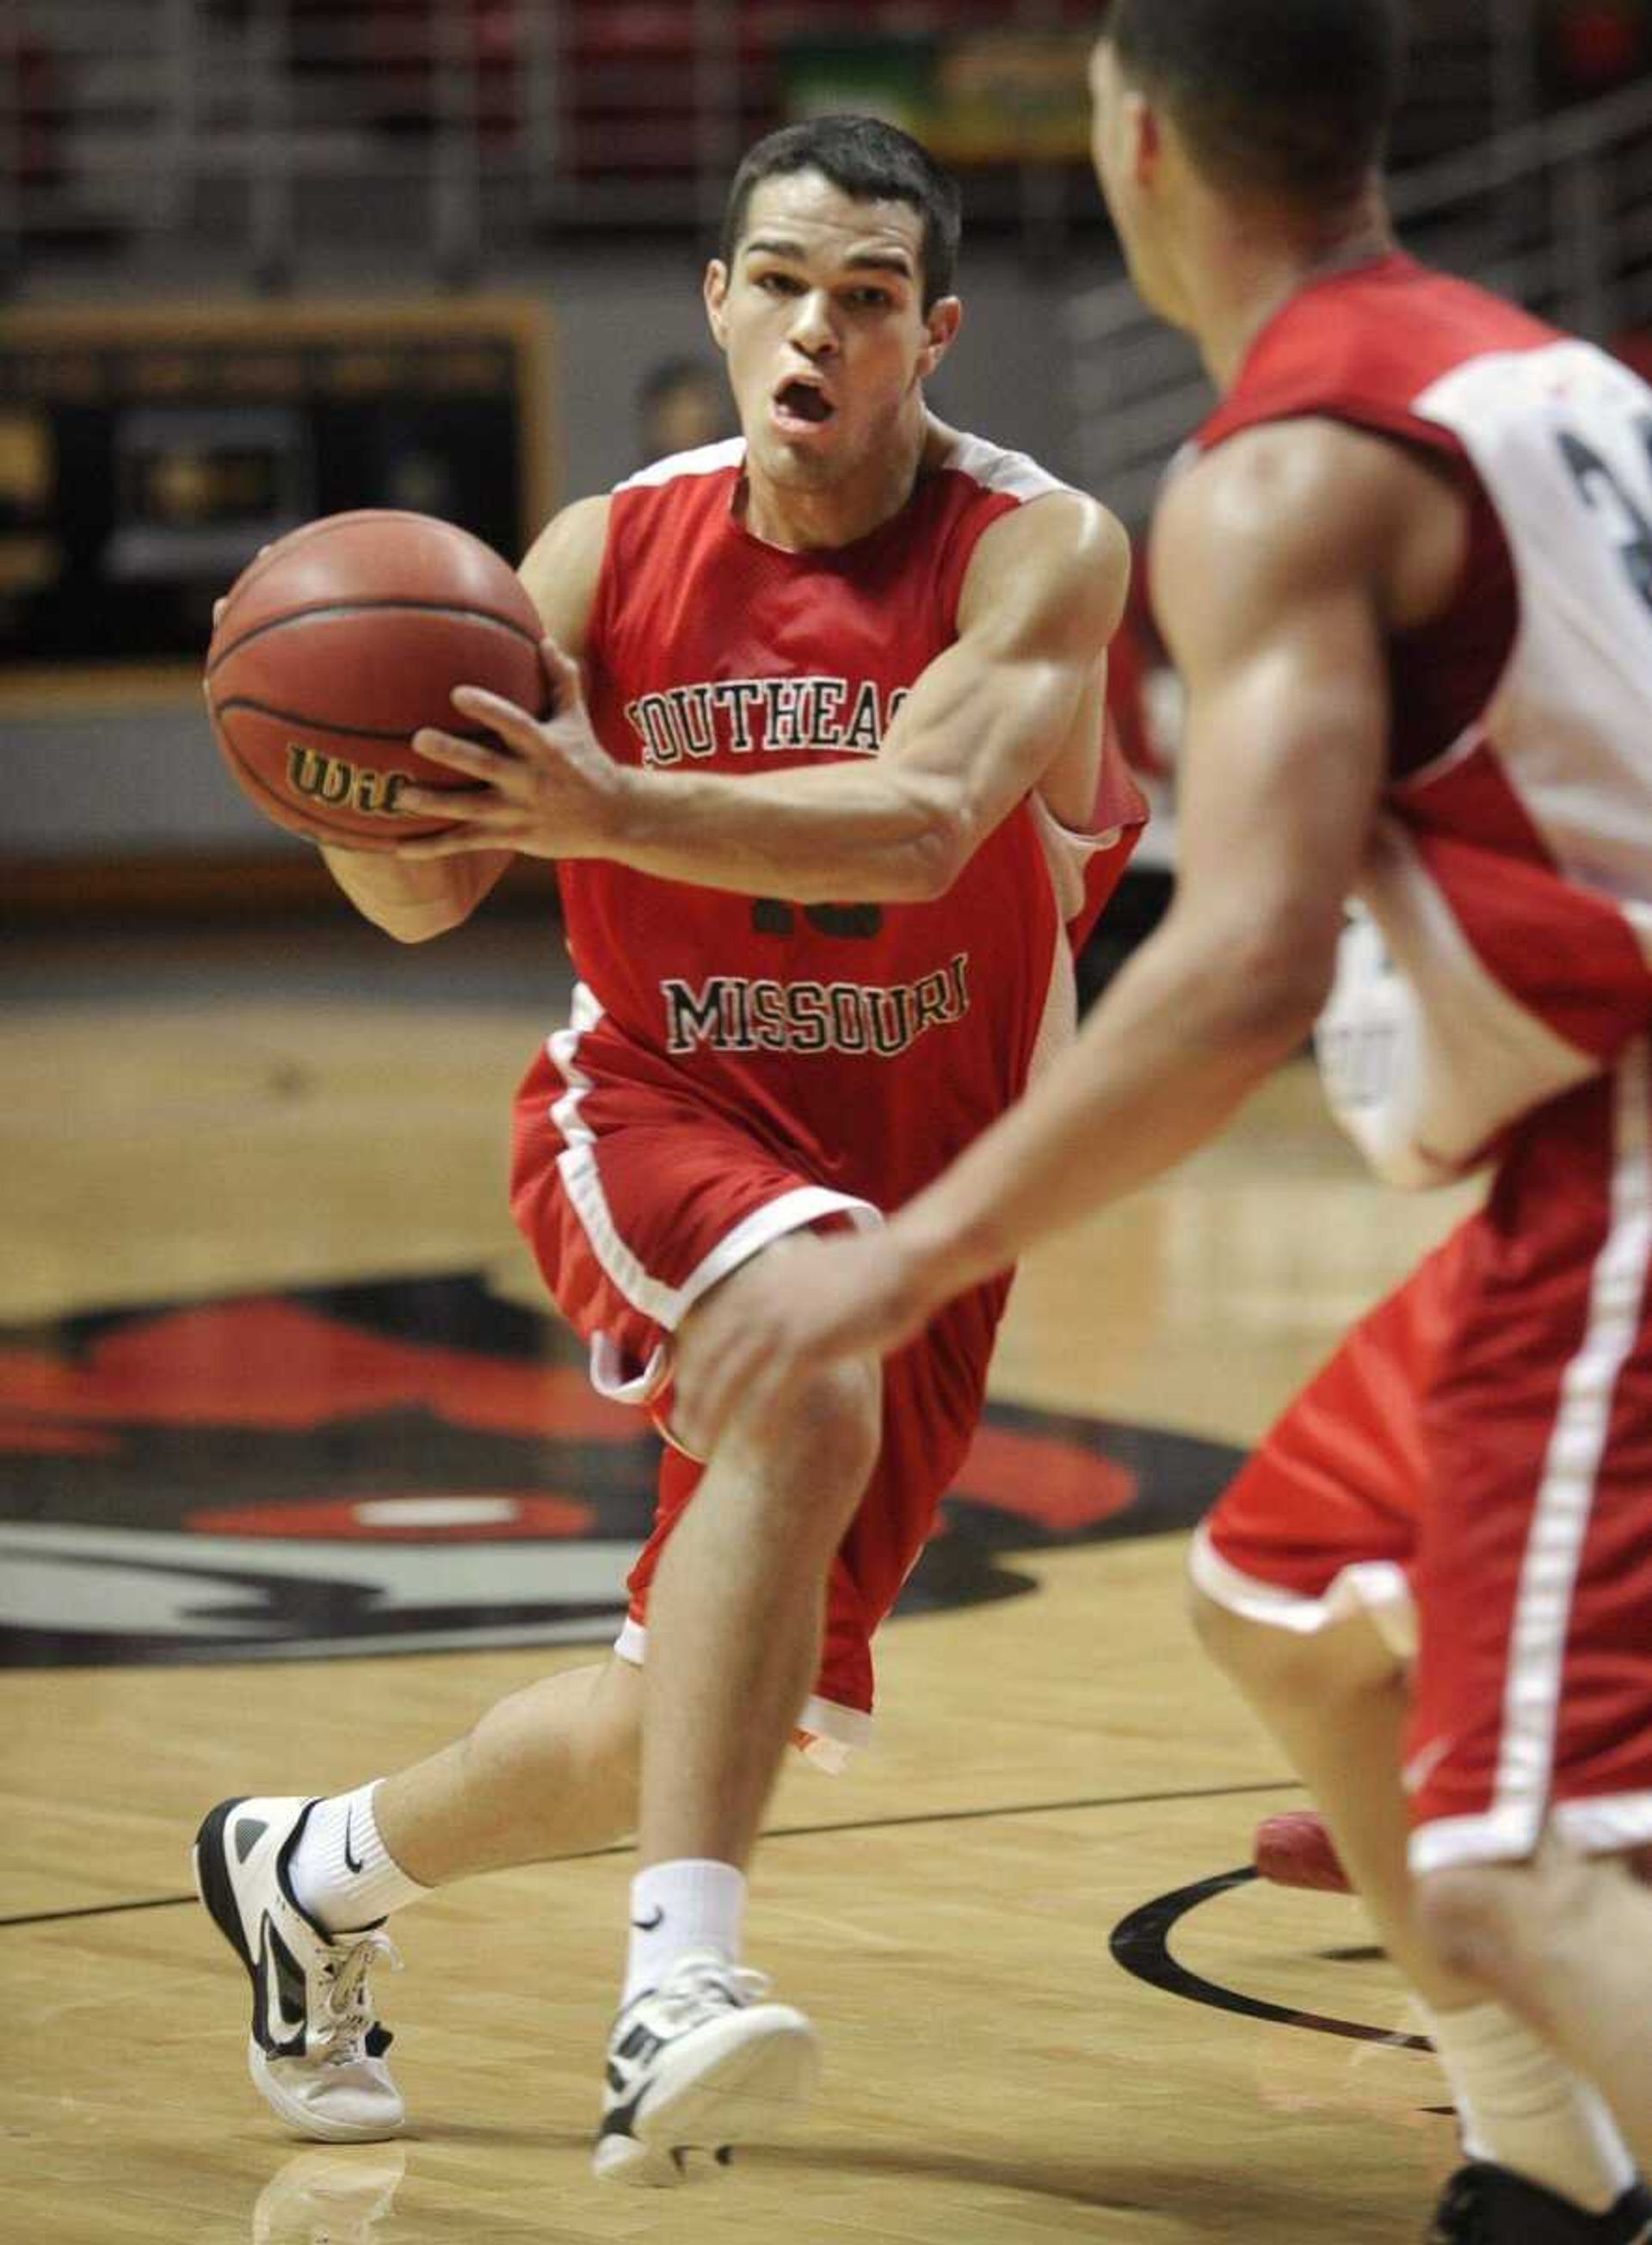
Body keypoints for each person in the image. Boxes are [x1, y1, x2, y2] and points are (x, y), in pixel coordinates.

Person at [671, 8, 1652, 2241]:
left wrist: (897, 1259)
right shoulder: (1554, 374)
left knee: (1521, 1879)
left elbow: (1231, 974)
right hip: (1564, 1166)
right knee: (1287, 1586)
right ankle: (1545, 2177)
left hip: (1633, 1154)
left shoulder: (1286, 466)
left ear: (1129, 140)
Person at [191, 114, 1142, 2185]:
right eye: (782, 280)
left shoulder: (1035, 551)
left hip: (933, 1211)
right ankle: (678, 1989)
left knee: (668, 1718)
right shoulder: (601, 557)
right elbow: (430, 899)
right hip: (658, 1114)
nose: (820, 326)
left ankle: (310, 1874)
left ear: (935, 332)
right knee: (801, 1334)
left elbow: (915, 830)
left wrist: (608, 806)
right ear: (716, 302)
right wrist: (337, 768)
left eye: (869, 296)